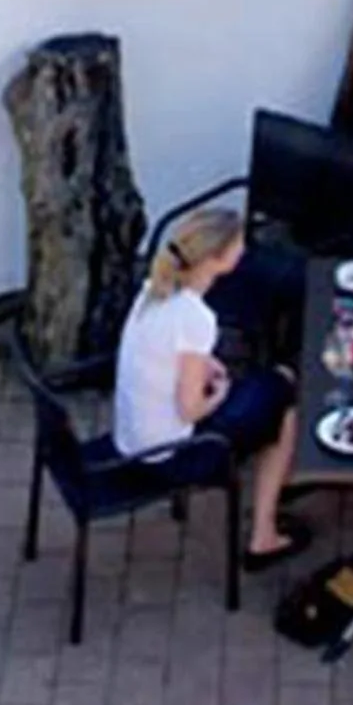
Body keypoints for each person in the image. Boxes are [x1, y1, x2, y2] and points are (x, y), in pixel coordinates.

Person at [114, 205, 310, 571]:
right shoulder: (196, 318)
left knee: (268, 390)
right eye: (238, 246)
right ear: (219, 260)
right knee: (285, 397)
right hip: (173, 455)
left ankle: (281, 484)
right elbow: (191, 410)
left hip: (132, 439)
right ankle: (263, 535)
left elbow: (163, 351)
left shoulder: (153, 290)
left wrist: (204, 365)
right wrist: (219, 393)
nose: (244, 250)